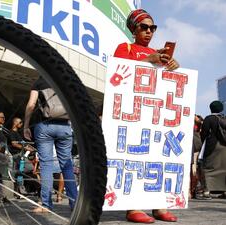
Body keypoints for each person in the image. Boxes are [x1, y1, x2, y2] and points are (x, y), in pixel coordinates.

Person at [114, 9, 179, 223]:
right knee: (135, 157)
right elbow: (117, 73)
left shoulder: (158, 52)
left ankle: (159, 205)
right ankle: (133, 206)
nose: (149, 31)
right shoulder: (126, 48)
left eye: (153, 28)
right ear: (134, 29)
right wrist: (148, 60)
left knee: (158, 157)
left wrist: (173, 67)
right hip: (134, 110)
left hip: (155, 113)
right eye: (144, 27)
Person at [24, 76, 78, 212]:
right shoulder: (66, 80)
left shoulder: (39, 82)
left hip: (44, 126)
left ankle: (46, 205)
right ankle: (75, 203)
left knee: (46, 166)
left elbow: (31, 105)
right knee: (67, 165)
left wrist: (26, 126)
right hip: (65, 127)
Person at [200, 101, 226, 197]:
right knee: (224, 168)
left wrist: (204, 143)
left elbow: (204, 133)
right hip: (224, 147)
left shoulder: (209, 118)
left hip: (212, 146)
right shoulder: (224, 118)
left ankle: (207, 191)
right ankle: (224, 191)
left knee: (208, 167)